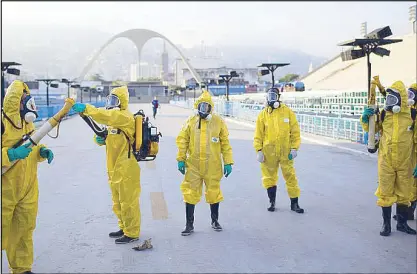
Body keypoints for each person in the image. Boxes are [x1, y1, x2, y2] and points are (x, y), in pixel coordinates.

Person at [72, 86, 141, 244]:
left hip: (127, 166)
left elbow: (104, 115)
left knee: (128, 201)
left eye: (114, 100)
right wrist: (101, 140)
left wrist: (87, 108)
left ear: (121, 102)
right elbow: (110, 138)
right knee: (117, 200)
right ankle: (124, 227)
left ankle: (132, 232)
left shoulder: (123, 116)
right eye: (110, 99)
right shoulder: (114, 121)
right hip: (114, 166)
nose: (111, 103)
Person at [2, 80, 54, 274]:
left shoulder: (28, 124)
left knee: (23, 230)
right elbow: (16, 153)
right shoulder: (2, 124)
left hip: (27, 188)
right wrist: (10, 155)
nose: (28, 101)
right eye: (24, 98)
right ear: (15, 101)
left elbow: (31, 147)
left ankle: (22, 268)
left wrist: (41, 152)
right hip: (4, 190)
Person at [361, 80, 416, 237]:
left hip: (406, 162)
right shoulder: (384, 114)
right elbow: (371, 129)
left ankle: (402, 223)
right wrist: (365, 119)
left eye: (393, 99)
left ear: (402, 99)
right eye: (388, 99)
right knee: (385, 192)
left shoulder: (412, 115)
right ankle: (386, 224)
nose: (389, 103)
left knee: (405, 192)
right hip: (386, 161)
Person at [176, 90, 233, 236]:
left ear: (211, 108)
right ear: (197, 106)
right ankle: (189, 224)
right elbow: (183, 140)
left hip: (212, 165)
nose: (204, 109)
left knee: (214, 192)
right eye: (201, 106)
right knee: (190, 193)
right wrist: (181, 159)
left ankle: (215, 220)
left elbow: (225, 143)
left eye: (207, 107)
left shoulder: (218, 122)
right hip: (193, 165)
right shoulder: (191, 121)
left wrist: (228, 162)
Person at [253, 87, 304, 213]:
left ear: (278, 97)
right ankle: (272, 201)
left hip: (285, 152)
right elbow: (258, 135)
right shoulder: (263, 115)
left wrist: (294, 148)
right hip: (268, 152)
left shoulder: (287, 112)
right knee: (269, 177)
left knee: (290, 176)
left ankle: (294, 203)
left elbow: (295, 132)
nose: (272, 99)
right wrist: (259, 150)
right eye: (270, 96)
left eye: (274, 96)